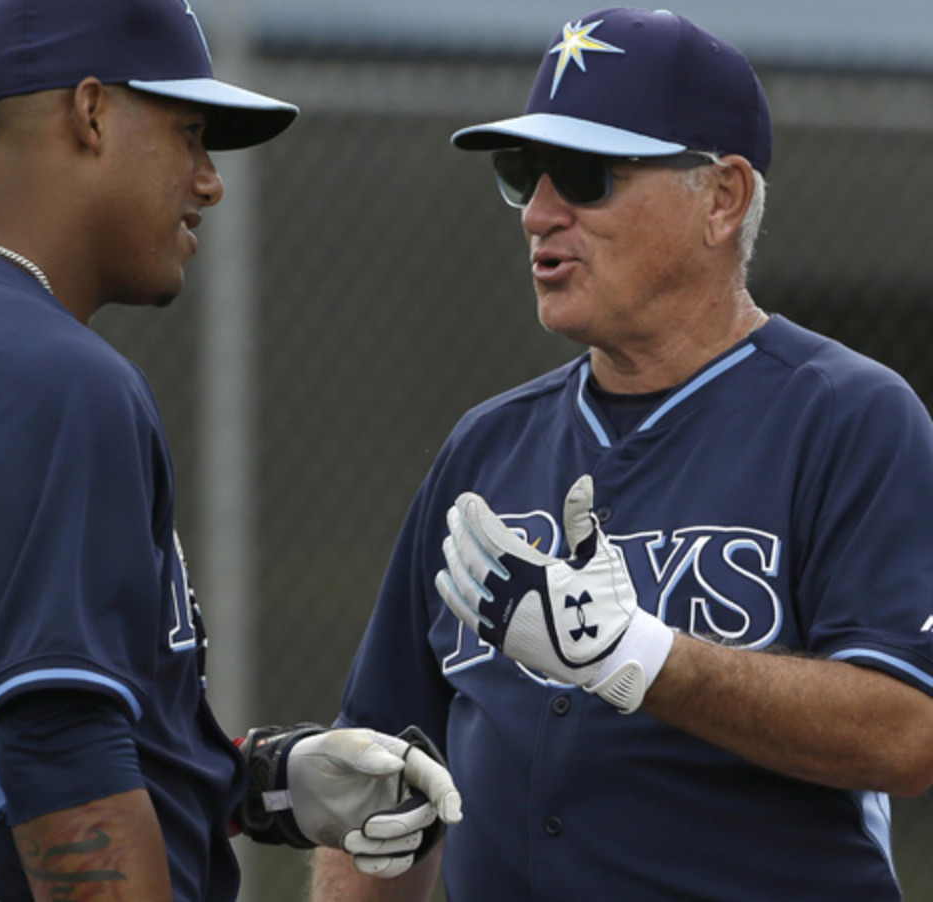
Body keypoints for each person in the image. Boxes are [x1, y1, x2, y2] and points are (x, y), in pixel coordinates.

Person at [0, 1, 461, 900]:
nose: (209, 180)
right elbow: (62, 770)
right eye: (189, 132)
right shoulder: (44, 373)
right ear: (91, 113)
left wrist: (253, 781)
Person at [311, 7, 933, 900]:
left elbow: (906, 731)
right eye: (523, 173)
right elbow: (383, 771)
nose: (539, 213)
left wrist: (636, 657)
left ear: (722, 198)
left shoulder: (849, 416)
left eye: (583, 174)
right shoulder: (486, 446)